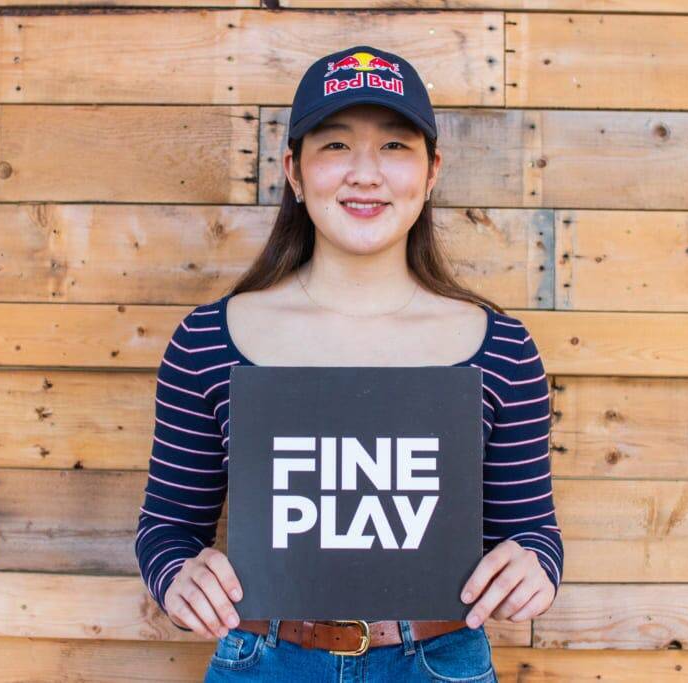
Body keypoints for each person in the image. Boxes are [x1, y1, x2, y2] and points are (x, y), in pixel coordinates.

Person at [135, 44, 564, 682]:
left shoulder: (501, 349)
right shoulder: (208, 341)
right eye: (335, 145)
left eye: (394, 146)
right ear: (295, 170)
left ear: (432, 170)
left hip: (439, 664)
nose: (365, 173)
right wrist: (178, 577)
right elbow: (167, 527)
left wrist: (535, 569)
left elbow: (533, 533)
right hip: (263, 662)